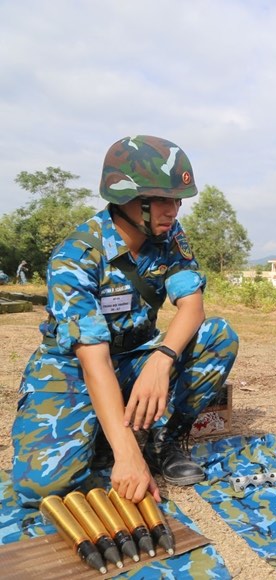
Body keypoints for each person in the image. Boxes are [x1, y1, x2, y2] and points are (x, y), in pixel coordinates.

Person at [11, 135, 239, 507]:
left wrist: (161, 360)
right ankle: (110, 437)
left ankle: (162, 441)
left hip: (136, 357)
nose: (174, 211)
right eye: (162, 200)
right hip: (73, 368)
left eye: (177, 201)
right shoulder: (76, 256)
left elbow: (192, 307)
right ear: (125, 198)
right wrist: (126, 454)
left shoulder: (169, 237)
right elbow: (93, 358)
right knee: (42, 490)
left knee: (218, 336)